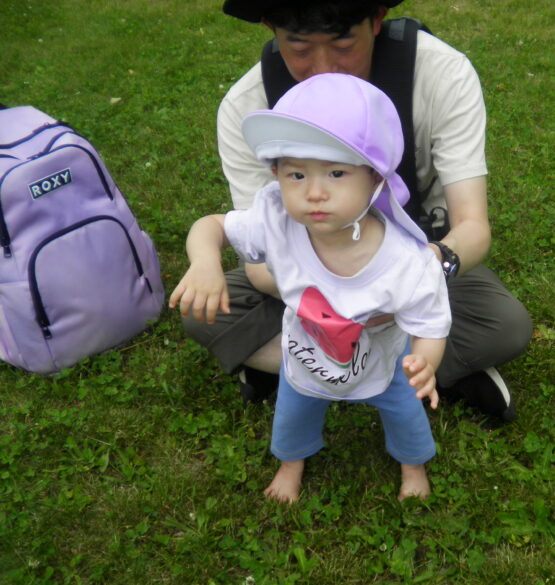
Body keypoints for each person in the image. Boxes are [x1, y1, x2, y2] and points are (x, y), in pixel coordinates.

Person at [183, 0, 533, 421]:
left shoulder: (440, 74)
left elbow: (472, 227)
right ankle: (408, 375)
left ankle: (300, 368)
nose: (323, 67)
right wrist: (343, 305)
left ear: (377, 20)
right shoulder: (248, 105)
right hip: (304, 281)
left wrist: (422, 273)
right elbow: (259, 270)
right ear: (270, 28)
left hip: (411, 261)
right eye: (299, 48)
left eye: (343, 44)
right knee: (204, 312)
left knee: (503, 324)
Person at [170, 73, 451, 502]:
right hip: (306, 351)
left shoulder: (406, 262)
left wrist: (425, 363)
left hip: (385, 359)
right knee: (293, 411)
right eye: (296, 174)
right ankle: (291, 463)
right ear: (276, 174)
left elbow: (429, 324)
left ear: (375, 178)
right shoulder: (276, 220)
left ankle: (412, 467)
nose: (314, 192)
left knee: (405, 412)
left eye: (336, 172)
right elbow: (212, 227)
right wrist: (205, 261)